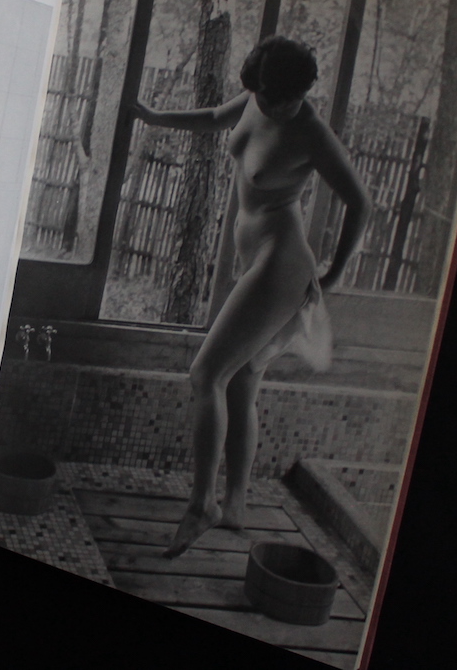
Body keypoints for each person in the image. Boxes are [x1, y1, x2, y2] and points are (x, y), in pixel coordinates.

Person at [133, 35, 371, 558]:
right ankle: (236, 503)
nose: (273, 106)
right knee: (241, 381)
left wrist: (332, 274)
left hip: (280, 261)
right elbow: (214, 117)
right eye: (265, 95)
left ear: (302, 92)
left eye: (285, 99)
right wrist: (154, 117)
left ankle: (203, 504)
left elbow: (360, 202)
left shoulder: (311, 132)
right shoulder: (256, 97)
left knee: (205, 375)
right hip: (256, 257)